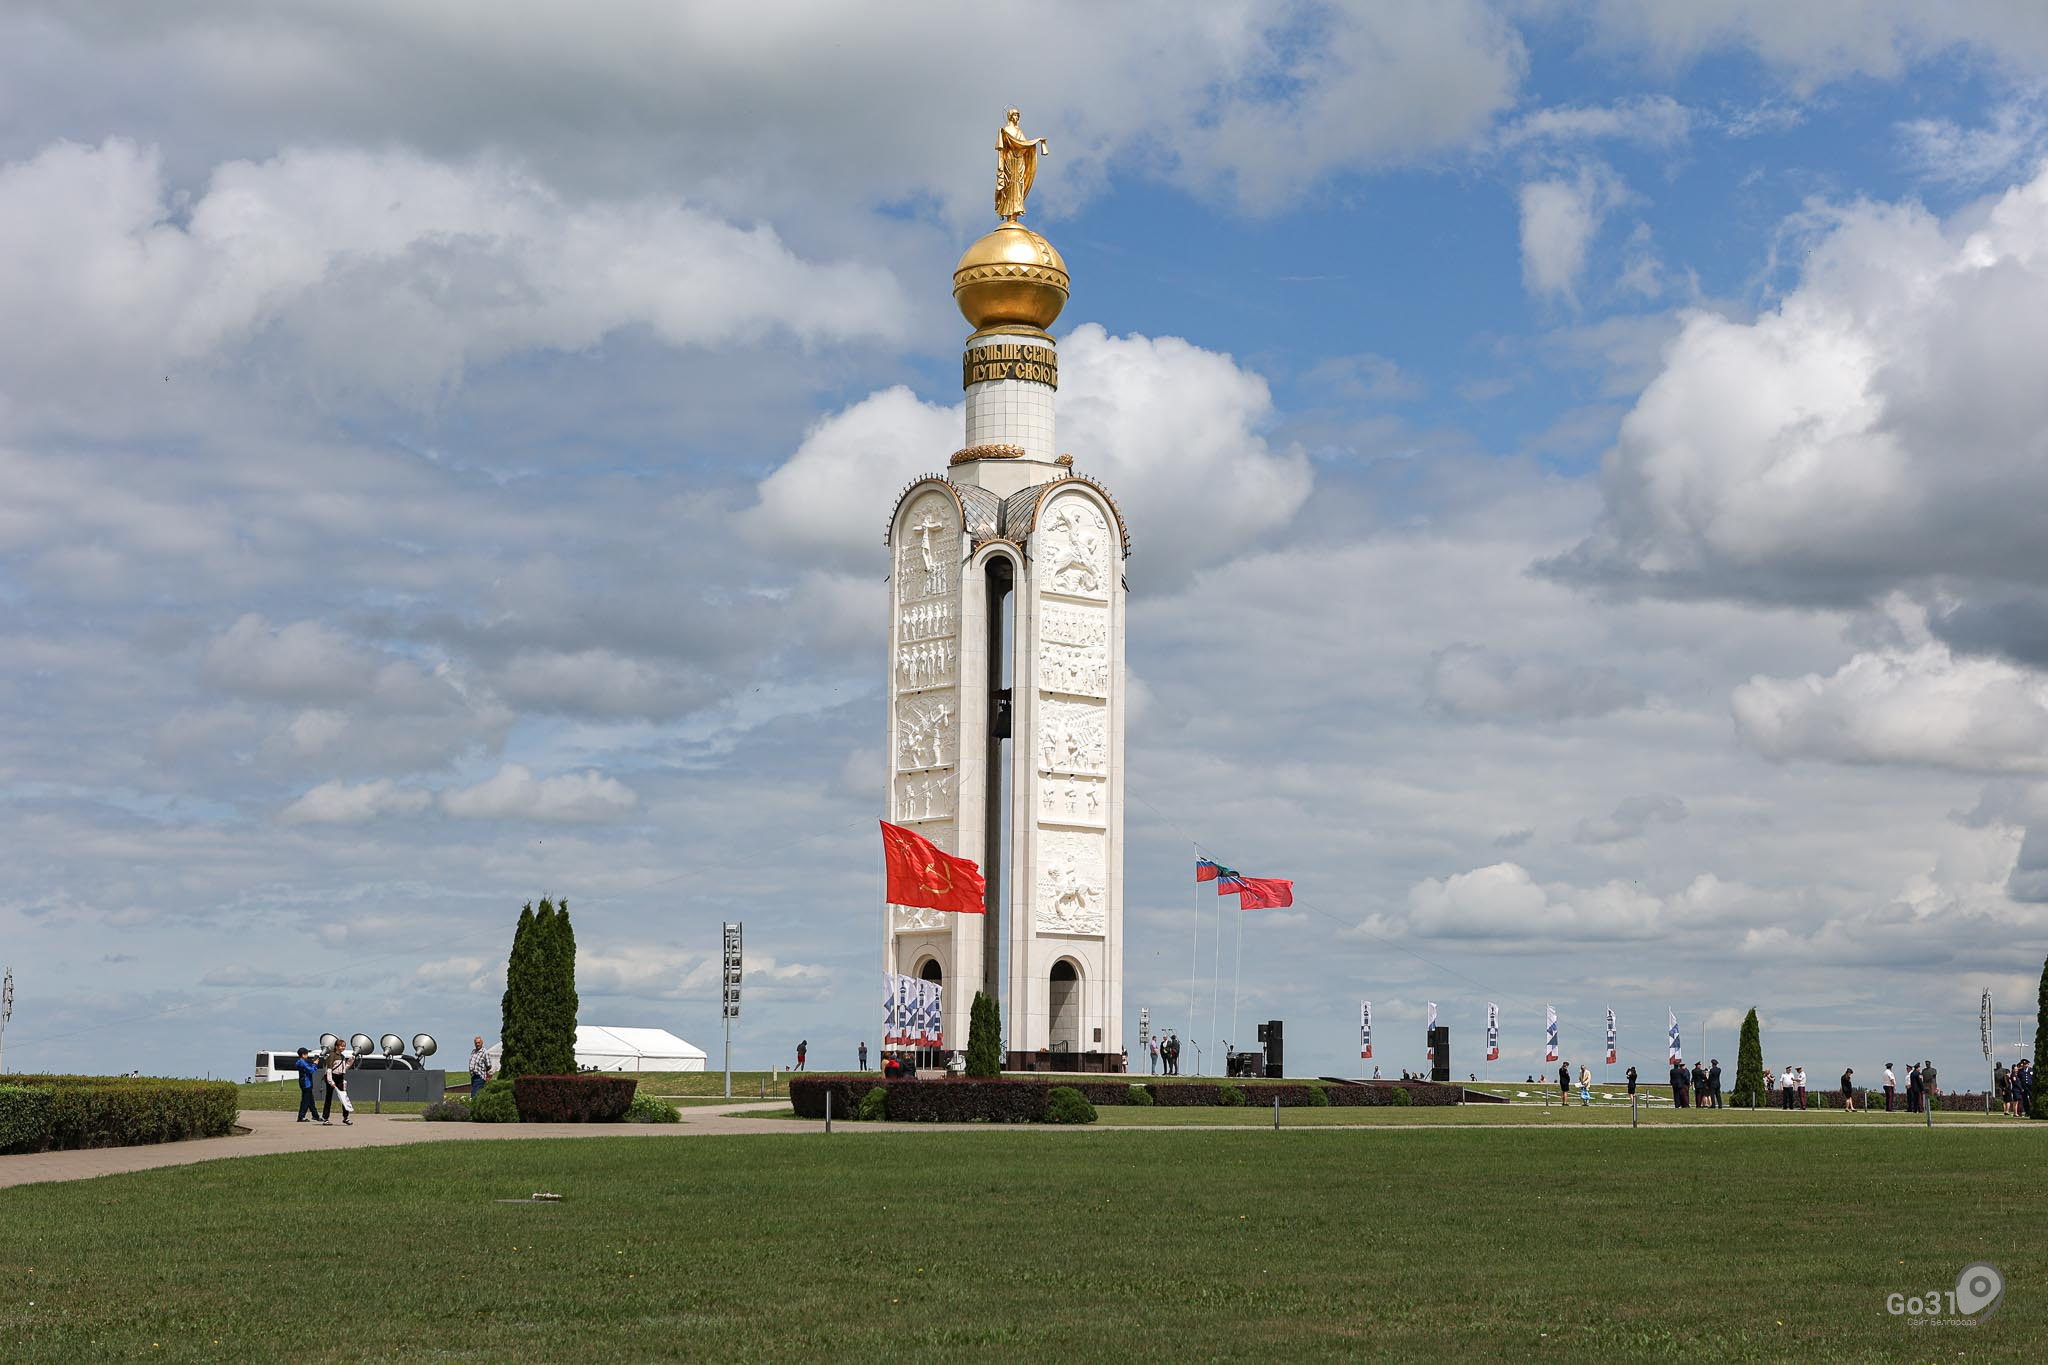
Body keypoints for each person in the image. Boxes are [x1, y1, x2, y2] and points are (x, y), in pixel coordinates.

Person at [322, 1046, 355, 1126]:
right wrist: (330, 1081)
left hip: (340, 1077)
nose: (343, 1047)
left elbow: (343, 1069)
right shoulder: (332, 1055)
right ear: (337, 1047)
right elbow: (329, 1069)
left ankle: (345, 1117)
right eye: (341, 1046)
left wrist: (349, 1063)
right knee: (328, 1097)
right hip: (332, 1076)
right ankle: (325, 1118)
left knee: (344, 1096)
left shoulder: (342, 1056)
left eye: (344, 1046)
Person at [294, 1047, 322, 1123]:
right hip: (306, 1083)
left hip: (306, 1083)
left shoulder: (301, 1061)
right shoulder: (302, 1062)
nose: (307, 1055)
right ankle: (301, 1117)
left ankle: (315, 1115)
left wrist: (312, 1063)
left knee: (311, 1101)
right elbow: (311, 1070)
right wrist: (315, 1064)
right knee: (305, 1101)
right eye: (306, 1054)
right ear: (303, 1054)